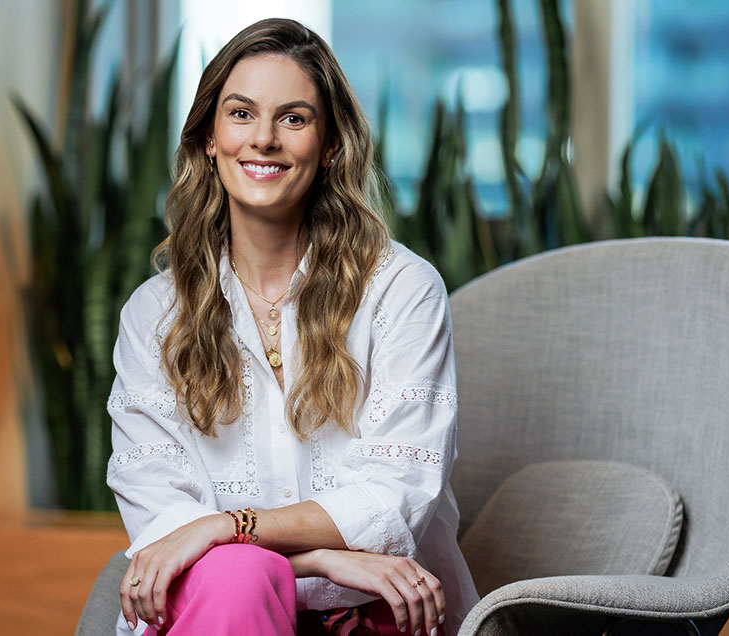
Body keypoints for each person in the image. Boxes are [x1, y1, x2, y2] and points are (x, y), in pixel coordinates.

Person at [107, 17, 478, 636]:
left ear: (330, 143)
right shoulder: (153, 315)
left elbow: (394, 499)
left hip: (375, 612)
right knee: (234, 580)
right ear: (209, 137)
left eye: (294, 118)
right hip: (222, 608)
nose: (264, 140)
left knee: (242, 570)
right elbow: (162, 525)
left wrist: (230, 527)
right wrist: (319, 559)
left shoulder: (402, 291)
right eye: (242, 114)